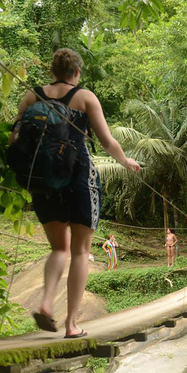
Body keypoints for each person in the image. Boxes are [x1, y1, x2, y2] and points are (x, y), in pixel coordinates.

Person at [16, 48, 140, 338]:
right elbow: (107, 141)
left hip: (43, 182)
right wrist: (126, 161)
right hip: (78, 177)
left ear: (51, 71)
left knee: (59, 248)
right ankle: (71, 325)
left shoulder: (31, 97)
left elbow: (15, 139)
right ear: (77, 72)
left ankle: (46, 304)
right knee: (80, 251)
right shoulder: (85, 97)